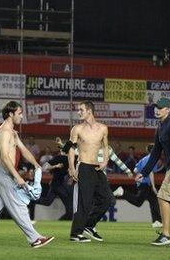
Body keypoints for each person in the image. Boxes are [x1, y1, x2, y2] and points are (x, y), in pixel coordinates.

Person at [0, 101, 54, 248]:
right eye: (19, 113)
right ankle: (34, 239)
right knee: (18, 206)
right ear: (10, 114)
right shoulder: (4, 131)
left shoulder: (13, 132)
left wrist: (36, 164)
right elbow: (4, 156)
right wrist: (17, 176)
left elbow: (23, 150)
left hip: (3, 172)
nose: (22, 116)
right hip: (3, 172)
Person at [136, 98, 170, 248]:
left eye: (160, 107)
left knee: (162, 197)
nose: (157, 109)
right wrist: (145, 172)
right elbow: (155, 153)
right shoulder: (160, 127)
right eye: (156, 107)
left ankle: (166, 234)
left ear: (168, 110)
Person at [67, 101, 112, 243]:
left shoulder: (103, 128)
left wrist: (105, 161)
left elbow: (105, 146)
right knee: (84, 202)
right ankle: (75, 234)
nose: (78, 112)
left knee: (107, 199)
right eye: (78, 110)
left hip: (97, 168)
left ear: (89, 111)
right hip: (84, 166)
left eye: (81, 110)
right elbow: (70, 149)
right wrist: (72, 167)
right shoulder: (77, 129)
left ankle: (89, 224)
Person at [113, 144, 162, 228]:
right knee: (138, 202)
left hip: (143, 183)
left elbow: (136, 169)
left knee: (154, 202)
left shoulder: (144, 159)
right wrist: (153, 186)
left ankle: (157, 221)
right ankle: (122, 192)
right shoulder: (151, 159)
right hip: (145, 183)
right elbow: (150, 173)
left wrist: (139, 176)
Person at [38, 148, 73, 220]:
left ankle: (31, 200)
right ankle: (31, 200)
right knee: (70, 207)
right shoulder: (58, 158)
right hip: (58, 184)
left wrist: (71, 177)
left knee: (47, 202)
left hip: (59, 184)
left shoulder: (70, 159)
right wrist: (56, 166)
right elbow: (44, 167)